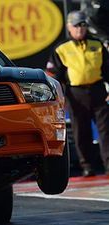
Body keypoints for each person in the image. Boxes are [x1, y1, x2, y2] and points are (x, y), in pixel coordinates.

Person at [46, 11, 109, 177]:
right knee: (81, 131)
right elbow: (54, 76)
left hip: (98, 90)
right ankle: (87, 165)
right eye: (76, 25)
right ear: (69, 27)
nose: (80, 29)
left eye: (83, 25)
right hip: (76, 94)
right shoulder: (62, 48)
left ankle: (108, 164)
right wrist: (60, 97)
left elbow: (108, 69)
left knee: (106, 130)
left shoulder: (97, 44)